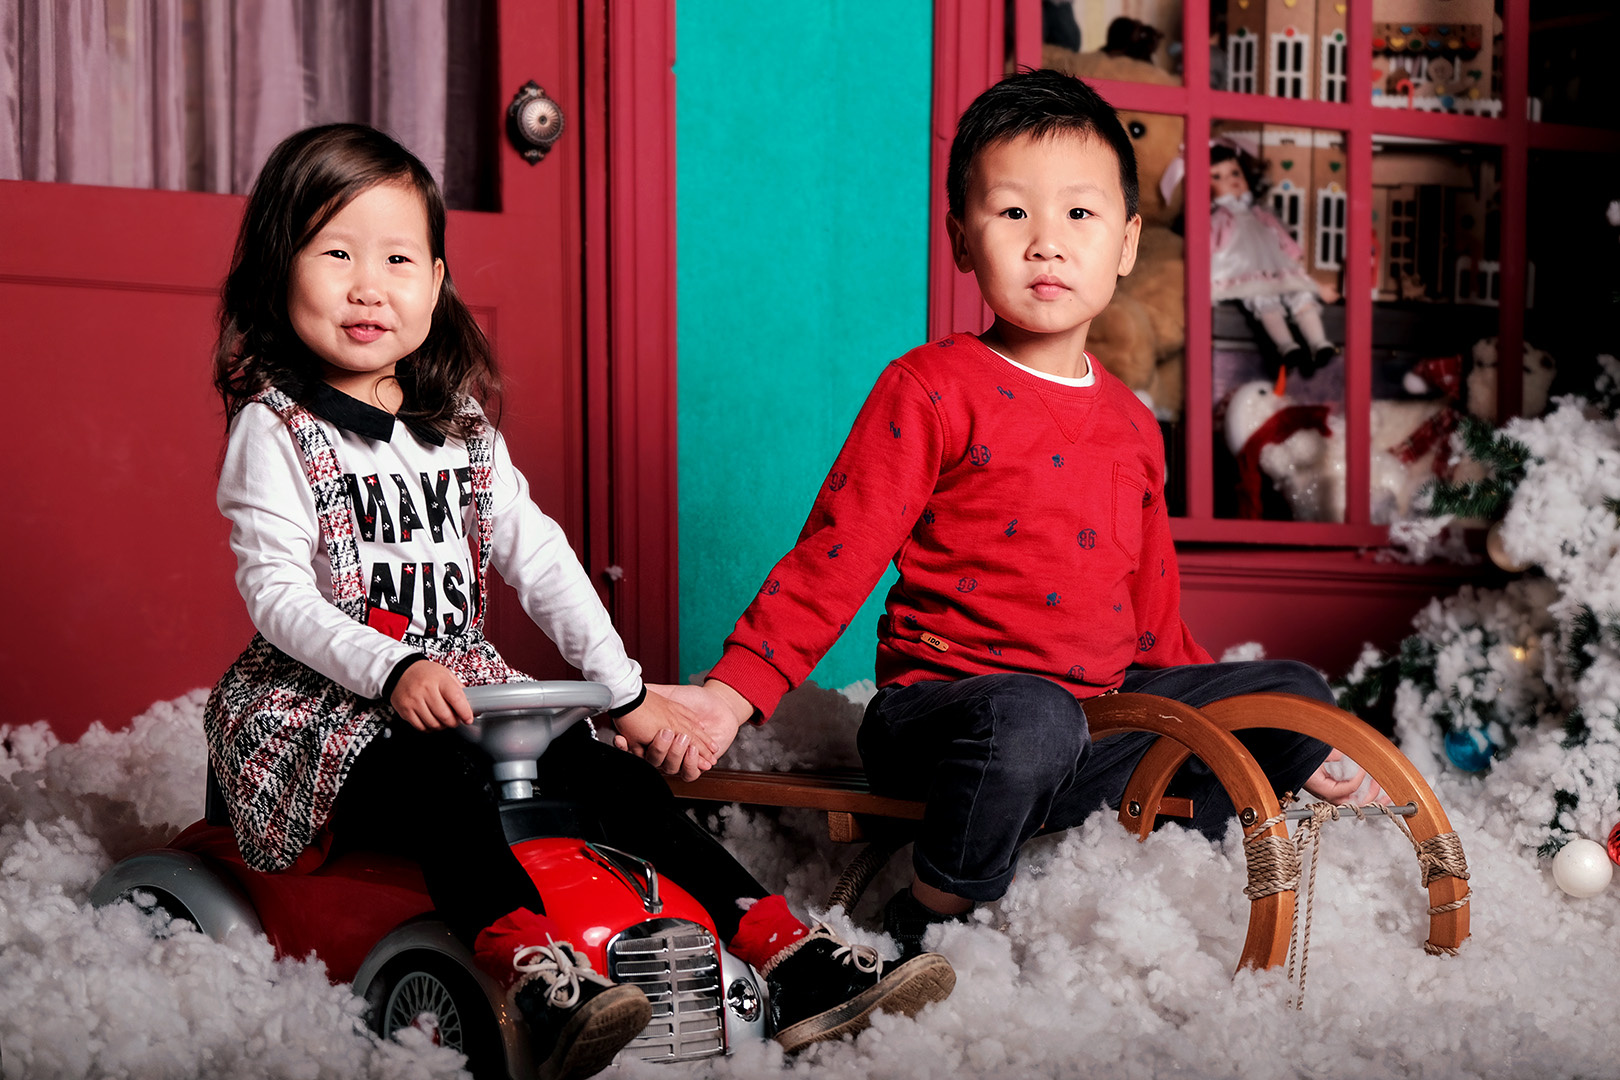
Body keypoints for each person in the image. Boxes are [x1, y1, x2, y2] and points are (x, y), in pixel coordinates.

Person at [203, 123, 954, 1076]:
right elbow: (276, 592)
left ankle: (783, 952)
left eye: (397, 259)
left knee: (613, 781)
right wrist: (391, 669)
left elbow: (543, 561)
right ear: (280, 272)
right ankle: (529, 973)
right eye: (335, 254)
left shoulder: (460, 429)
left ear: (436, 283)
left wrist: (622, 692)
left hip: (461, 689)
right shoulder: (276, 429)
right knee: (450, 786)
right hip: (329, 709)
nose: (368, 286)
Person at [654, 70, 1382, 960]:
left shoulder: (1133, 424)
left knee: (1294, 693)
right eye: (1012, 214)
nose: (1047, 243)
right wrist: (729, 697)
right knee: (1032, 720)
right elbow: (835, 557)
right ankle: (932, 914)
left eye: (1079, 214)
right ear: (962, 241)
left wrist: (1252, 721)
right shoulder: (929, 388)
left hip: (1099, 724)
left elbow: (1153, 615)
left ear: (1127, 242)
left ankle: (1139, 869)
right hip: (947, 720)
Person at [1209, 142, 1340, 380]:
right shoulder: (1218, 218)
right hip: (1244, 269)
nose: (1231, 180)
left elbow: (1283, 241)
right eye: (1217, 177)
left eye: (1235, 173)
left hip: (1277, 265)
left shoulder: (1261, 215)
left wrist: (1298, 261)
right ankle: (1287, 347)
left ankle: (1319, 343)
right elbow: (1208, 247)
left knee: (1301, 293)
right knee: (1263, 300)